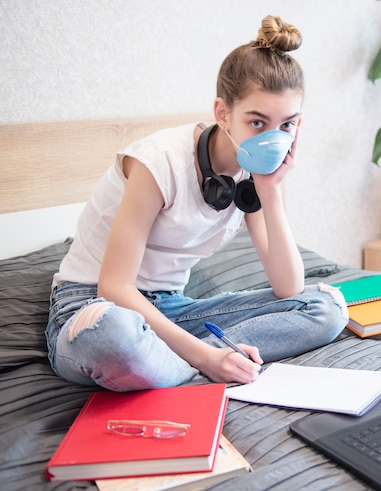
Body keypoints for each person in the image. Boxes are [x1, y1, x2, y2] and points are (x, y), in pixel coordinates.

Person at [45, 15, 348, 392]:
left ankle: (175, 367)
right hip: (95, 307)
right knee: (114, 336)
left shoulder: (257, 176)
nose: (274, 137)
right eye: (257, 122)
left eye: (286, 125)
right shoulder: (158, 161)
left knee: (326, 308)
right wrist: (207, 357)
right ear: (223, 114)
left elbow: (289, 287)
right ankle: (201, 366)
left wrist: (270, 192)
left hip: (169, 309)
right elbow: (114, 288)